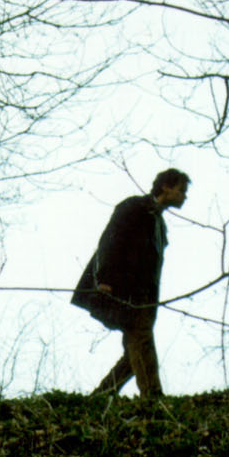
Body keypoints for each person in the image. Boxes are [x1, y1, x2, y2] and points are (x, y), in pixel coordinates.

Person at [70, 167, 190, 398]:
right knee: (140, 339)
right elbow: (109, 241)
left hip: (146, 296)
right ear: (166, 186)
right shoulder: (134, 207)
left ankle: (101, 396)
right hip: (124, 290)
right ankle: (153, 397)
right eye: (181, 190)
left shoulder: (159, 224)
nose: (185, 196)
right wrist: (104, 280)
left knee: (134, 349)